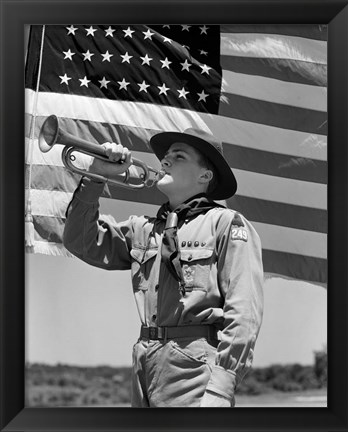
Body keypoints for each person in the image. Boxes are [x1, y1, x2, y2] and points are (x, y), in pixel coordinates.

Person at [63, 128, 264, 408]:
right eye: (165, 157)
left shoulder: (226, 224)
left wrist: (222, 385)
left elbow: (244, 312)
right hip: (144, 363)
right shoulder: (143, 229)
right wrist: (96, 174)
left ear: (204, 176)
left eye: (178, 156)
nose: (165, 161)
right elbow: (79, 241)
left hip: (194, 369)